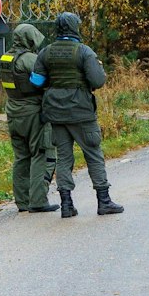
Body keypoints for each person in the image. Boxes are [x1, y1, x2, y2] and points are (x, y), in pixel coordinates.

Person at [28, 11, 124, 217]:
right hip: (81, 113)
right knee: (93, 154)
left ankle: (66, 205)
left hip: (55, 113)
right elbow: (98, 81)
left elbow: (36, 82)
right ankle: (104, 201)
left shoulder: (46, 52)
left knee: (63, 157)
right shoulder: (83, 51)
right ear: (75, 28)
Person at [0, 22, 57, 213]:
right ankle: (38, 201)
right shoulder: (30, 59)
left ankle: (22, 201)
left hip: (13, 111)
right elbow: (48, 77)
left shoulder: (6, 57)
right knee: (41, 153)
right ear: (30, 38)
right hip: (32, 112)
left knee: (21, 157)